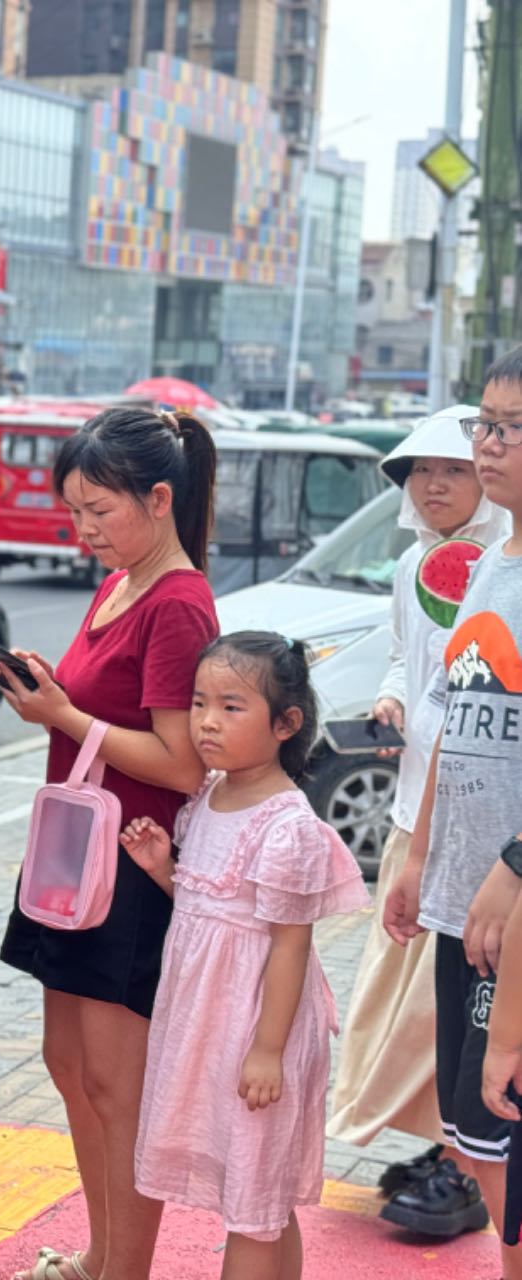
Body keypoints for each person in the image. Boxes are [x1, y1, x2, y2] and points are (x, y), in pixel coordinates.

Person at [0, 407, 220, 1280]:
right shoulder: (122, 580)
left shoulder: (179, 602)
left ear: (159, 499)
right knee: (69, 1065)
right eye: (74, 510)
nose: (83, 529)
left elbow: (182, 763)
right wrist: (55, 698)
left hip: (129, 861)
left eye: (99, 509)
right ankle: (100, 1256)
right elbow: (104, 710)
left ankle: (125, 1268)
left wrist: (64, 714)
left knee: (117, 1088)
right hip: (74, 854)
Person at [122, 632, 368, 1280]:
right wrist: (163, 868)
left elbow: (290, 944)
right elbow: (210, 908)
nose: (207, 721)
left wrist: (267, 1050)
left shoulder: (288, 828)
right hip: (210, 1026)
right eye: (200, 702)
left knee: (255, 1201)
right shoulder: (207, 796)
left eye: (232, 707)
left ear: (286, 724)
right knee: (262, 1194)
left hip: (260, 1030)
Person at [329, 404, 509, 1235]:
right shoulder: (420, 567)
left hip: (491, 833)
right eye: (421, 472)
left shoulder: (495, 565)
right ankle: (454, 1150)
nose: (435, 484)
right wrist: (393, 697)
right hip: (422, 812)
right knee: (415, 1009)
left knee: (464, 1011)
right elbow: (416, 661)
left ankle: (464, 1164)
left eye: (453, 468)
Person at [389, 346, 522, 1280]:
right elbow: (450, 715)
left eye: (512, 428)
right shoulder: (488, 565)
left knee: (505, 1122)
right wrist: (419, 857)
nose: (489, 444)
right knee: (478, 1137)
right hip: (461, 897)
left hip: (509, 897)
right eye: (486, 422)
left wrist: (511, 869)